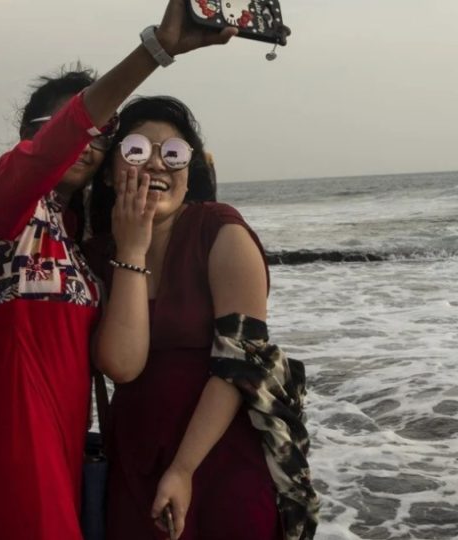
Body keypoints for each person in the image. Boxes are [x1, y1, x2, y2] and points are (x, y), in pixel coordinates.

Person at [0, 3, 236, 538]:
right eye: (76, 127)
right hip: (7, 449)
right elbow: (59, 140)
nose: (90, 140)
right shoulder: (2, 204)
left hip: (58, 453)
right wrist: (156, 50)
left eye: (104, 134)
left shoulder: (74, 234)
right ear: (31, 139)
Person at [85, 96, 317, 540]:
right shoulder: (98, 253)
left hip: (221, 459)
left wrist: (183, 469)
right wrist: (131, 250)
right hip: (134, 458)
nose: (156, 164)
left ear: (188, 171)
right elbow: (122, 365)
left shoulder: (220, 232)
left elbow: (239, 364)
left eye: (173, 153)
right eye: (136, 150)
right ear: (111, 171)